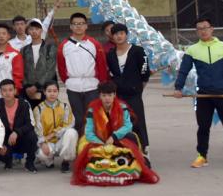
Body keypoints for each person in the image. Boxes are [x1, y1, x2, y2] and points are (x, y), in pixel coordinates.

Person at [173, 17, 223, 170]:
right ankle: (202, 156)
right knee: (203, 127)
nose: (203, 31)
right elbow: (183, 71)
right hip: (203, 95)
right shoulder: (192, 50)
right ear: (197, 32)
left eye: (205, 27)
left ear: (212, 29)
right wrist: (178, 88)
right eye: (199, 29)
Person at [72, 81, 159, 185]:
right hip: (98, 139)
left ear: (114, 95)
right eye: (104, 95)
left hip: (118, 138)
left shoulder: (122, 107)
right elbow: (89, 132)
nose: (107, 98)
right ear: (99, 96)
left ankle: (141, 160)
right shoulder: (92, 109)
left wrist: (114, 137)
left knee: (131, 138)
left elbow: (128, 126)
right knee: (84, 147)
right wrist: (102, 144)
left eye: (110, 95)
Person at [58, 12, 108, 135]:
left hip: (92, 86)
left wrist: (102, 85)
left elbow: (101, 66)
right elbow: (61, 67)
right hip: (73, 87)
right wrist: (68, 81)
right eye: (75, 24)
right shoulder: (64, 45)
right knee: (78, 118)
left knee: (92, 117)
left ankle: (93, 142)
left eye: (81, 23)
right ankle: (80, 142)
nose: (78, 26)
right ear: (71, 26)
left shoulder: (94, 44)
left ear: (86, 26)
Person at [106, 23, 150, 155]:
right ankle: (124, 147)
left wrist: (139, 87)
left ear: (126, 35)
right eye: (115, 34)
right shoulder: (110, 54)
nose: (119, 36)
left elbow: (145, 71)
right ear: (112, 37)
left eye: (121, 33)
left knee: (138, 120)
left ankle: (144, 148)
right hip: (118, 94)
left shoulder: (138, 51)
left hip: (134, 93)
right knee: (120, 121)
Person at [0, 79, 38, 173]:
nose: (7, 93)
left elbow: (31, 124)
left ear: (15, 91)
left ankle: (29, 162)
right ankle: (7, 160)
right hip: (5, 140)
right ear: (0, 92)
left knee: (32, 135)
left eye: (10, 90)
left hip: (20, 139)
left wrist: (17, 132)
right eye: (4, 90)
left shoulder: (24, 104)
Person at [33, 81, 77, 172]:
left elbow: (69, 124)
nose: (52, 94)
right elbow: (37, 130)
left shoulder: (65, 107)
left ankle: (66, 161)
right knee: (42, 154)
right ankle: (49, 161)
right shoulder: (39, 109)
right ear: (44, 92)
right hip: (47, 142)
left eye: (55, 91)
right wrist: (42, 143)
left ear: (58, 92)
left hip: (61, 141)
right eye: (49, 91)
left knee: (72, 132)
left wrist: (54, 134)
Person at [22, 17, 57, 108]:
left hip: (46, 89)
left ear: (41, 30)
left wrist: (36, 86)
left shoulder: (50, 48)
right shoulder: (24, 50)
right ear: (28, 31)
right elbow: (22, 70)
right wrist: (27, 87)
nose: (34, 31)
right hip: (28, 91)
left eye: (37, 29)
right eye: (31, 29)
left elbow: (50, 70)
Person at [0, 22, 23, 99]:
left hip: (10, 95)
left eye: (4, 33)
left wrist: (16, 91)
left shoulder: (15, 54)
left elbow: (19, 76)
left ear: (9, 36)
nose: (1, 36)